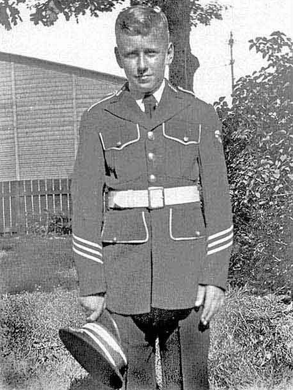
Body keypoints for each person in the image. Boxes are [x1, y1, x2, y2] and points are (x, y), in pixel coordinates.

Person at [72, 5, 233, 390]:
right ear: (118, 56)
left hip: (188, 275)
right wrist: (92, 283)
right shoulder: (98, 118)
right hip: (123, 274)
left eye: (151, 53)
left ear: (170, 53)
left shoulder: (199, 114)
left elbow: (218, 200)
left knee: (189, 384)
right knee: (133, 383)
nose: (141, 65)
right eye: (131, 54)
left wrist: (215, 278)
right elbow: (84, 204)